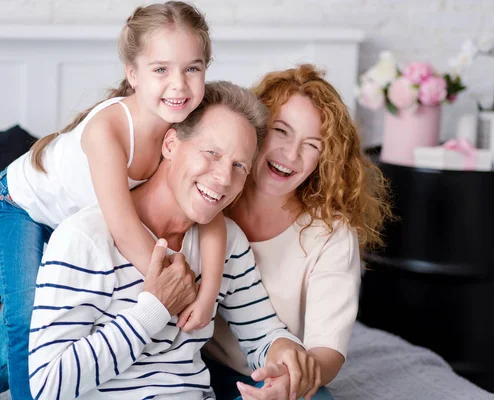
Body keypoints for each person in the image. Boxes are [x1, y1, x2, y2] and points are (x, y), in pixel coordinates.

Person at [0, 2, 226, 399]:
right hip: (17, 208)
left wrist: (207, 291)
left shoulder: (194, 121)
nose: (179, 85)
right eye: (161, 69)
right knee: (27, 323)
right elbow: (126, 230)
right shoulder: (109, 131)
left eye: (192, 68)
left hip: (74, 222)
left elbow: (209, 212)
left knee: (64, 310)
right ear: (133, 74)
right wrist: (171, 285)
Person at [28, 81, 323, 399]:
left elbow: (262, 334)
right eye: (211, 153)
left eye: (239, 166)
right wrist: (151, 311)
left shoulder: (228, 241)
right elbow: (48, 386)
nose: (224, 179)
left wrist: (284, 360)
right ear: (170, 144)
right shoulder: (85, 238)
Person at [203, 64, 392, 399]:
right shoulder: (209, 193)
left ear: (325, 159)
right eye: (282, 131)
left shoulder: (330, 233)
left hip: (271, 374)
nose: (291, 155)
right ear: (256, 127)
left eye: (312, 145)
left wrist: (292, 377)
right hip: (193, 364)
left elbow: (326, 350)